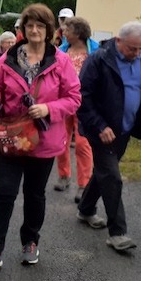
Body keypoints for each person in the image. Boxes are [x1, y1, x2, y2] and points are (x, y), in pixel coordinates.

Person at [0, 3, 81, 271]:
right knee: (4, 192)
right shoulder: (8, 58)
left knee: (35, 194)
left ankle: (30, 241)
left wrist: (48, 108)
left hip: (44, 141)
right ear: (23, 29)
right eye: (29, 25)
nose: (34, 30)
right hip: (12, 135)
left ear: (49, 31)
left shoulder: (61, 61)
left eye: (40, 26)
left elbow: (74, 98)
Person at [76, 21, 141, 252]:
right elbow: (82, 96)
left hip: (125, 130)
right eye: (132, 49)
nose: (136, 53)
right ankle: (117, 233)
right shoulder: (98, 60)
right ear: (118, 41)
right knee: (112, 177)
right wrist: (100, 125)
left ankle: (86, 209)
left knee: (105, 173)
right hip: (101, 131)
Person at [53, 16, 95, 201]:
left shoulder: (94, 51)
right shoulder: (61, 50)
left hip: (86, 104)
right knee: (61, 141)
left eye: (67, 30)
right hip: (64, 102)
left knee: (82, 144)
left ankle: (84, 184)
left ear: (78, 33)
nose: (63, 33)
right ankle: (64, 176)